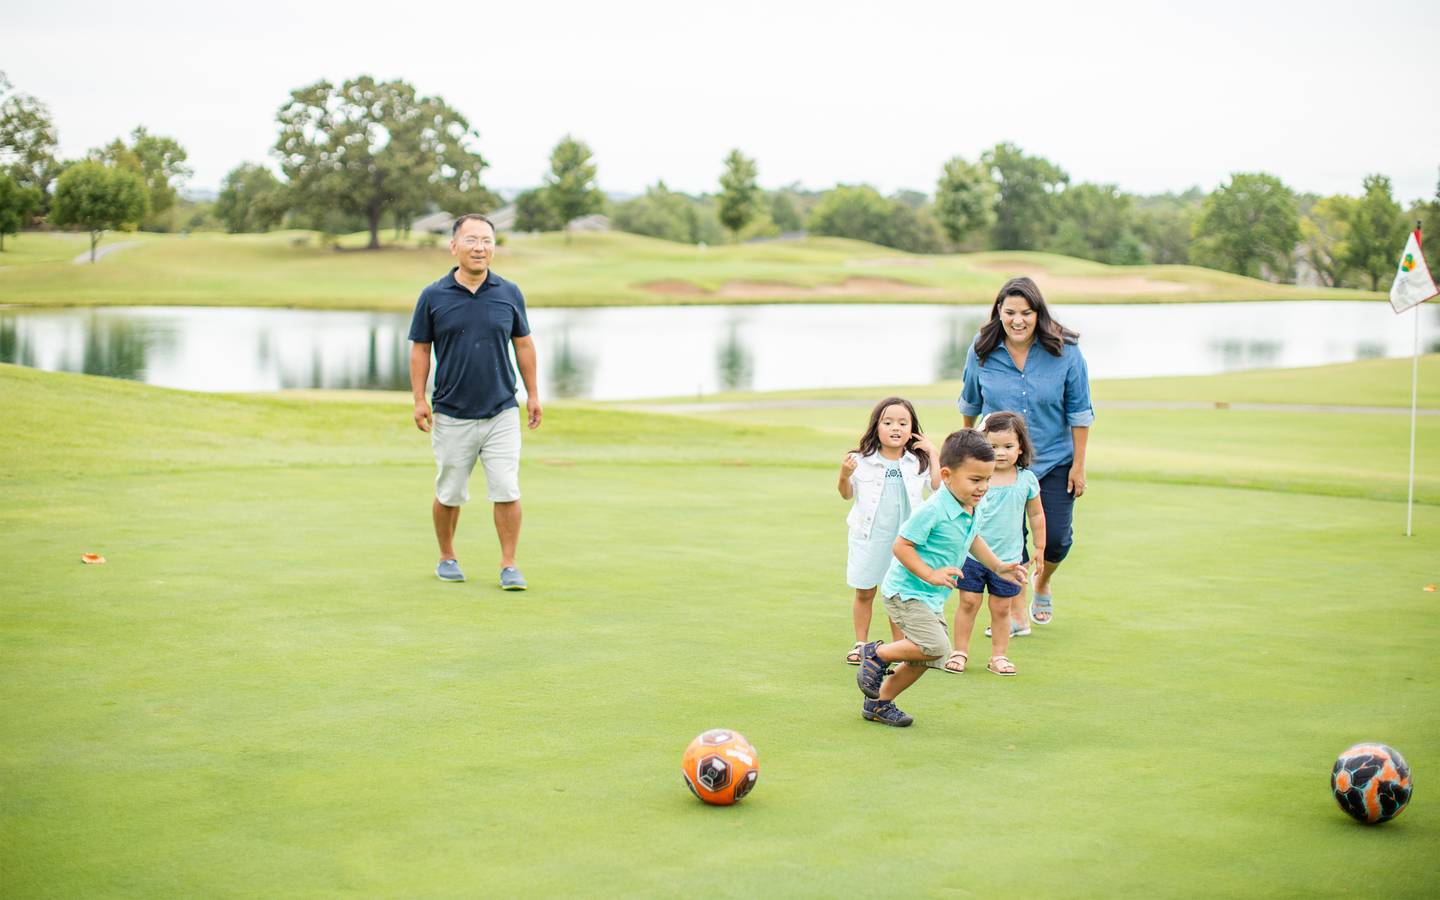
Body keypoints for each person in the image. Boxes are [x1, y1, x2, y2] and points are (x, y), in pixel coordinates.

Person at [855, 430, 1028, 727]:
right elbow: (901, 545)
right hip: (906, 591)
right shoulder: (933, 509)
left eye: (987, 479)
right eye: (976, 480)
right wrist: (930, 574)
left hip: (930, 597)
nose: (983, 487)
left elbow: (973, 538)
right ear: (947, 475)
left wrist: (999, 567)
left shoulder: (972, 504)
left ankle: (879, 703)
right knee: (936, 647)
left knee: (926, 657)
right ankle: (876, 653)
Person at [409, 213, 542, 588]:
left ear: (493, 248)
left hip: (501, 409)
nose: (479, 248)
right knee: (450, 491)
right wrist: (419, 399)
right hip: (451, 412)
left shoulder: (509, 292)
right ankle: (447, 556)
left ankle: (509, 564)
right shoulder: (433, 295)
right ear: (454, 247)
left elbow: (524, 345)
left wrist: (533, 395)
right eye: (471, 240)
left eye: (486, 240)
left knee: (507, 487)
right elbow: (420, 349)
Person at [959, 277, 1092, 625]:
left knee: (1058, 539)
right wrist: (964, 455)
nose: (1018, 320)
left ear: (1038, 313)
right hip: (998, 464)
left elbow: (1080, 412)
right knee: (1008, 538)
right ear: (999, 313)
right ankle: (1014, 614)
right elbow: (970, 402)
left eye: (1026, 312)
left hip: (1054, 460)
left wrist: (1079, 465)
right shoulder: (982, 348)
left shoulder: (1066, 350)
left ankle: (1043, 580)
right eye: (1010, 312)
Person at [838, 397, 941, 665]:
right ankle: (861, 644)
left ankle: (899, 647)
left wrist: (933, 452)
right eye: (888, 422)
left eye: (902, 423)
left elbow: (939, 487)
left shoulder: (917, 461)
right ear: (877, 427)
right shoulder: (860, 460)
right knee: (865, 591)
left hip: (905, 541)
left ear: (912, 429)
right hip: (870, 536)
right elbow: (846, 494)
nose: (895, 428)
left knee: (898, 592)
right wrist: (843, 474)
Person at [945, 412, 1046, 676]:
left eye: (1008, 446)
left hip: (1009, 559)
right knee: (968, 602)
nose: (1000, 453)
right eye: (992, 447)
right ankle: (959, 651)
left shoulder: (1026, 480)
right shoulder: (977, 477)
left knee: (1002, 609)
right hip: (973, 556)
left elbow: (1036, 514)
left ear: (1020, 447)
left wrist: (1039, 546)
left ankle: (999, 656)